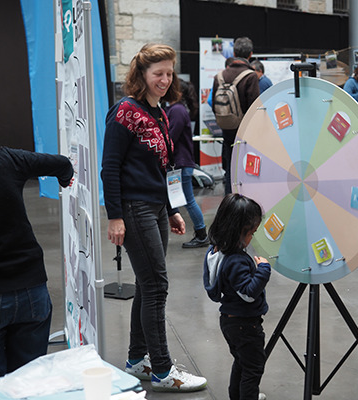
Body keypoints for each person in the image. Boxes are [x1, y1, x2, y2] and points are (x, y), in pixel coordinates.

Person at [101, 43, 207, 392]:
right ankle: (163, 370)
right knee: (157, 287)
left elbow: (163, 168)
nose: (164, 80)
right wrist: (115, 216)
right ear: (141, 75)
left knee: (148, 287)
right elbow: (110, 168)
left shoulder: (161, 112)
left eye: (168, 73)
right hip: (134, 209)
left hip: (157, 208)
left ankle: (136, 361)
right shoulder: (124, 112)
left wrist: (173, 209)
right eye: (157, 74)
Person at [0, 98, 73, 380]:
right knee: (29, 382)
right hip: (31, 289)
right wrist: (65, 180)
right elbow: (62, 165)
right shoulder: (9, 159)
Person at [203, 193, 271, 400]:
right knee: (253, 369)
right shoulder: (236, 261)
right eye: (251, 233)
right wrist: (263, 270)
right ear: (237, 231)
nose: (252, 238)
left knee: (242, 363)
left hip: (230, 322)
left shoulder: (215, 251)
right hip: (246, 326)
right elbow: (248, 294)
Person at [212, 37, 260, 195]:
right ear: (251, 54)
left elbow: (214, 105)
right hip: (245, 131)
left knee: (230, 168)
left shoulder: (220, 75)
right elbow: (254, 107)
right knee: (246, 168)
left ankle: (229, 201)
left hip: (226, 128)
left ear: (233, 52)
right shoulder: (251, 76)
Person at [166, 78, 209, 248]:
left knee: (188, 199)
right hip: (181, 163)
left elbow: (170, 137)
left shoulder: (176, 110)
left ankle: (201, 234)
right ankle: (201, 233)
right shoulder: (176, 108)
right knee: (187, 199)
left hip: (180, 163)